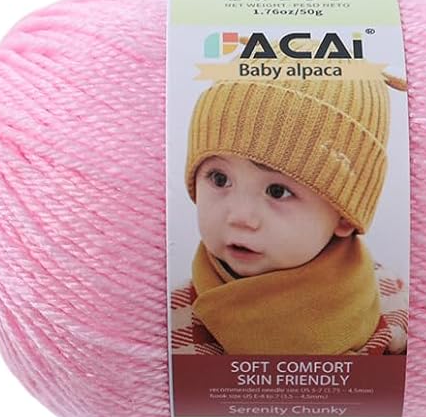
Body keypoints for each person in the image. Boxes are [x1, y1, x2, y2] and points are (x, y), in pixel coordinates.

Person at [171, 71, 408, 355]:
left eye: (277, 191)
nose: (240, 217)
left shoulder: (394, 302)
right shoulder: (171, 320)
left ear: (344, 214)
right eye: (220, 179)